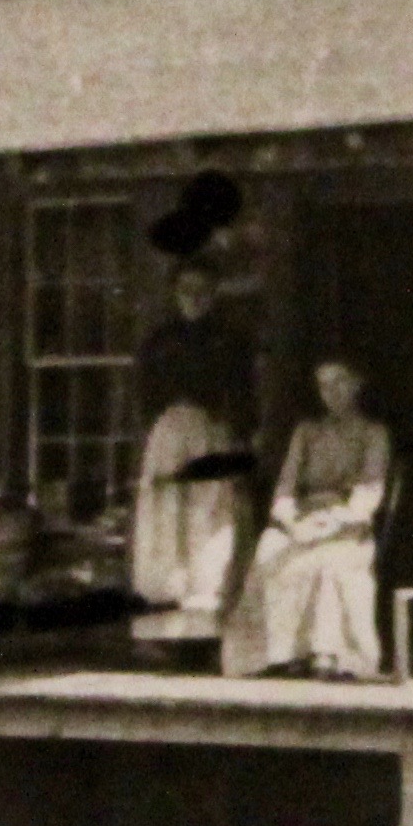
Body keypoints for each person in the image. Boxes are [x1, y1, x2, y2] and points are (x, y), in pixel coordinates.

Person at [128, 254, 259, 633]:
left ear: (215, 293)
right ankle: (164, 630)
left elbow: (244, 398)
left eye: (202, 290)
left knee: (209, 524)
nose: (194, 297)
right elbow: (144, 397)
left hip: (212, 435)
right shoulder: (159, 341)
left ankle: (205, 629)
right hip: (169, 435)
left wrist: (236, 446)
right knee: (166, 526)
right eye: (186, 290)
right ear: (175, 292)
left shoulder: (231, 341)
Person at [249, 357, 391, 677]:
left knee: (330, 560)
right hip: (304, 518)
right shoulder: (308, 432)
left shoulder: (373, 433)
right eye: (323, 385)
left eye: (339, 382)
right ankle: (282, 653)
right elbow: (286, 486)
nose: (330, 392)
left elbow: (369, 492)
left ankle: (327, 652)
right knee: (271, 549)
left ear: (357, 384)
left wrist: (335, 521)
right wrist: (290, 521)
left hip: (347, 523)